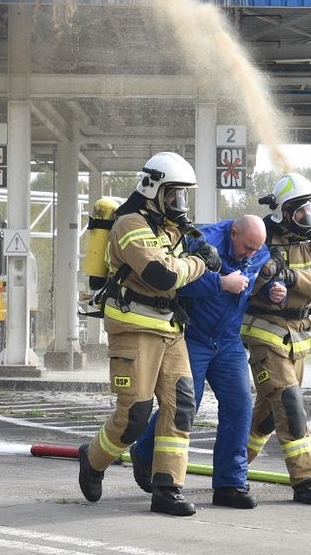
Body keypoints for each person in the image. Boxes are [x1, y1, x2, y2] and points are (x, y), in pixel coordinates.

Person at [77, 151, 221, 516]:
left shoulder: (170, 228)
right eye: (174, 194)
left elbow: (177, 265)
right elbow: (164, 275)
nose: (179, 202)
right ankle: (92, 459)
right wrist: (201, 262)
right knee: (135, 416)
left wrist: (200, 252)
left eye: (182, 196)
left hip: (171, 329)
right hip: (134, 326)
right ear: (154, 188)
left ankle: (167, 489)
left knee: (182, 407)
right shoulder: (130, 224)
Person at [131, 214, 269, 510]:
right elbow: (177, 282)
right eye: (247, 248)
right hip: (195, 335)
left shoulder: (261, 249)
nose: (251, 255)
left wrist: (274, 292)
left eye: (256, 250)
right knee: (185, 404)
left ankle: (230, 484)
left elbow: (261, 282)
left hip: (230, 341)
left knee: (240, 406)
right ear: (233, 233)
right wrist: (221, 283)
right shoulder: (201, 240)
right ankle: (144, 451)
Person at [242, 173, 311, 505]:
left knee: (268, 415)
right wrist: (267, 283)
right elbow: (242, 275)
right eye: (301, 211)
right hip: (264, 334)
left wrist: (293, 278)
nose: (307, 218)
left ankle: (232, 466)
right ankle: (306, 480)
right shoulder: (261, 238)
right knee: (289, 405)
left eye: (310, 209)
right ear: (283, 211)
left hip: (299, 338)